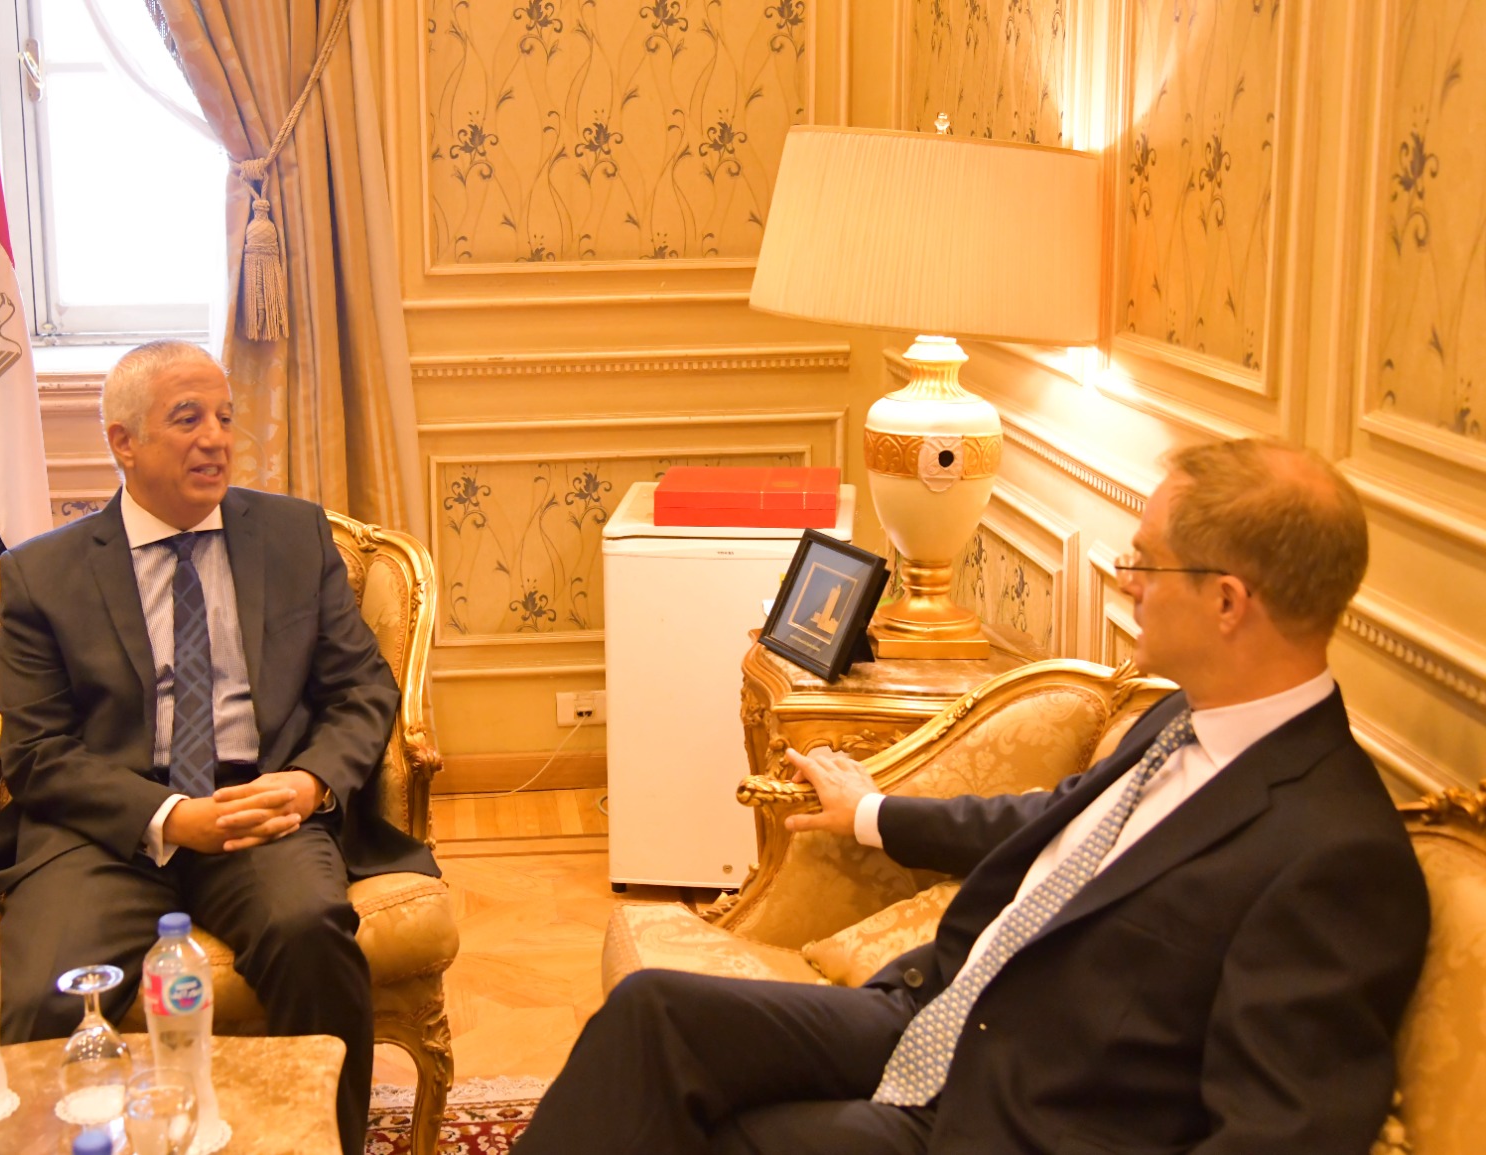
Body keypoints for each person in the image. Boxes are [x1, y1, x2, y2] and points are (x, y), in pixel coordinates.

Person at [515, 439, 1430, 1155]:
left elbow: (1279, 1133)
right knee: (655, 1018)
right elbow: (1057, 821)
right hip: (932, 1013)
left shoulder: (1335, 856)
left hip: (1010, 1119)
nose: (1127, 582)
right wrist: (873, 811)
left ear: (1228, 602)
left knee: (713, 1136)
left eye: (1148, 563)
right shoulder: (1182, 716)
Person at [0, 340, 437, 1155]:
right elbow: (38, 753)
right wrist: (171, 817)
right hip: (104, 832)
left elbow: (362, 690)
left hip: (260, 806)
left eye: (224, 416)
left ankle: (326, 1144)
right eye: (188, 419)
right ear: (124, 441)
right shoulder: (42, 576)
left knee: (309, 933)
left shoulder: (293, 537)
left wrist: (309, 782)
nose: (216, 437)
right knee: (45, 993)